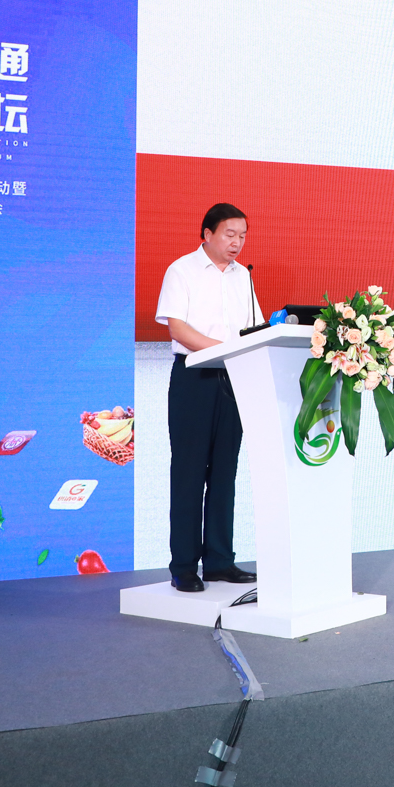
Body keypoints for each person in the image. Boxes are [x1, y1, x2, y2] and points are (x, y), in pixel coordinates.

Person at [154, 202, 263, 593]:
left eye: (242, 236)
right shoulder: (181, 270)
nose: (237, 243)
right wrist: (223, 348)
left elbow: (254, 329)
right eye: (230, 234)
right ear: (207, 234)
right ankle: (184, 566)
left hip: (235, 379)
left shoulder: (243, 277)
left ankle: (219, 561)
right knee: (188, 473)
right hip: (194, 378)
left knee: (224, 472)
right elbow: (178, 328)